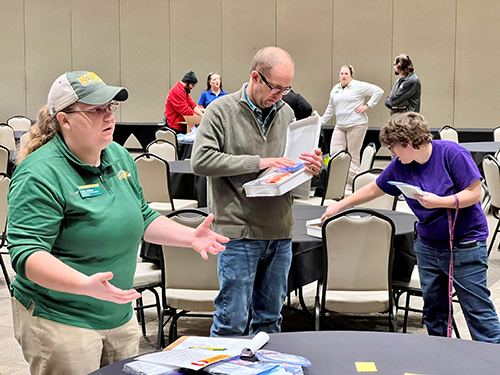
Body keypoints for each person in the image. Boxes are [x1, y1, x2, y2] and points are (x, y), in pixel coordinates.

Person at [8, 71, 229, 375]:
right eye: (95, 110)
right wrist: (83, 285)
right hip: (62, 318)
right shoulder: (40, 173)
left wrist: (189, 237)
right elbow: (28, 255)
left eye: (110, 107)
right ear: (64, 119)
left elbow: (142, 215)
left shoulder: (118, 156)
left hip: (118, 312)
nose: (108, 117)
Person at [321, 112, 500, 343]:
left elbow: (474, 193)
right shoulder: (401, 165)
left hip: (464, 244)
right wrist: (340, 205)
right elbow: (375, 188)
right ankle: (441, 353)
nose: (391, 153)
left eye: (394, 147)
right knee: (434, 311)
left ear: (409, 142)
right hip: (428, 245)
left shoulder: (452, 154)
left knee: (477, 310)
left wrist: (439, 201)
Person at [191, 47, 323, 337]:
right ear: (255, 77)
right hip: (238, 231)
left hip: (280, 231)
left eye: (286, 89)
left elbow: (290, 163)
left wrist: (311, 167)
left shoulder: (287, 112)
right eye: (275, 88)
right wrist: (260, 162)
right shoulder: (221, 111)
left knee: (269, 321)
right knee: (231, 321)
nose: (280, 95)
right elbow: (201, 161)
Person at [321, 65, 384, 186]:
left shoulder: (358, 86)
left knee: (353, 154)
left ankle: (357, 183)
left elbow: (378, 91)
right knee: (335, 154)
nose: (343, 76)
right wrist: (321, 121)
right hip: (340, 125)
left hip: (356, 124)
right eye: (341, 74)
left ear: (351, 75)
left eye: (346, 74)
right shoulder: (335, 89)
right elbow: (330, 108)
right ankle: (357, 181)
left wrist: (367, 106)